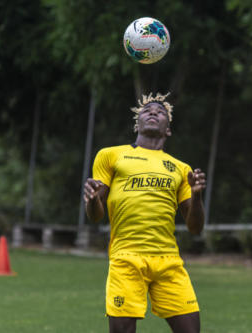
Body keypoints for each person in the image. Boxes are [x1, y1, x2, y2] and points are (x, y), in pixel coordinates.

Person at [84, 92, 206, 333]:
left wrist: (197, 195)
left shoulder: (182, 169)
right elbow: (96, 215)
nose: (153, 112)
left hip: (168, 261)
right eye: (147, 110)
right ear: (137, 123)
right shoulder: (110, 155)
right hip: (126, 258)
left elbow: (195, 228)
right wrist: (90, 200)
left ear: (168, 129)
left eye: (160, 112)